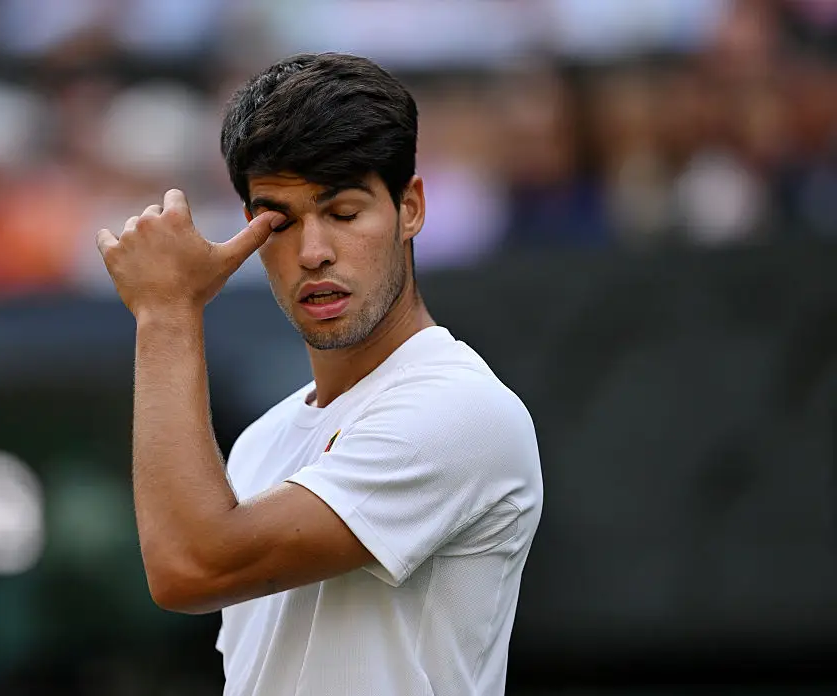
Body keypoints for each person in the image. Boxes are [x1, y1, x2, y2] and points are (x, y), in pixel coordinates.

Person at [96, 53, 543, 696]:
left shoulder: (461, 408)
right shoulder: (259, 443)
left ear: (410, 208)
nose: (312, 253)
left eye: (344, 212)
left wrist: (166, 310)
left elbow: (188, 567)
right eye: (278, 221)